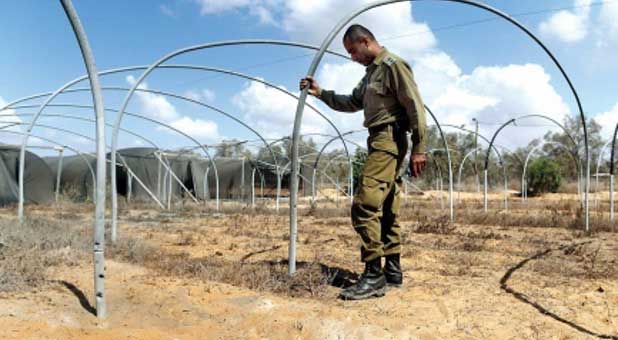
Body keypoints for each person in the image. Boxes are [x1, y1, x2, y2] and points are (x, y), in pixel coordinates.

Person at [300, 24, 427, 300]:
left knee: (364, 207)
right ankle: (392, 270)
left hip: (389, 140)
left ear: (366, 42)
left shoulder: (393, 65)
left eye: (353, 51)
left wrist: (420, 148)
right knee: (388, 207)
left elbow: (415, 106)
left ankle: (373, 276)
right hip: (381, 140)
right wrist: (321, 93)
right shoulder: (371, 75)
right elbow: (351, 102)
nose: (352, 57)